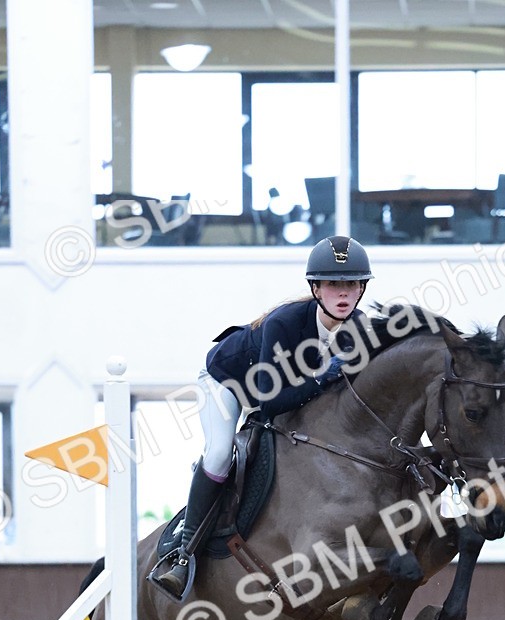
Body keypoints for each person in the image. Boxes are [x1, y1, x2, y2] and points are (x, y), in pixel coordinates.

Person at [156, 234, 374, 599]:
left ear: (361, 289)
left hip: (281, 393)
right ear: (316, 288)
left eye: (352, 284)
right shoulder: (284, 323)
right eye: (334, 284)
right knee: (220, 454)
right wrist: (324, 376)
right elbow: (268, 402)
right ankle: (183, 554)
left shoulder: (360, 330)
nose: (343, 293)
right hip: (228, 383)